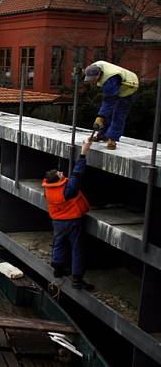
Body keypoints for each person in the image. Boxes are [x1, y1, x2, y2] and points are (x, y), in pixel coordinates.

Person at [41, 137, 94, 290]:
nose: (62, 173)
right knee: (76, 248)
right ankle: (77, 279)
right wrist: (83, 153)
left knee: (59, 243)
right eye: (60, 173)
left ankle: (58, 269)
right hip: (72, 221)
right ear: (57, 179)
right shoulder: (68, 190)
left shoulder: (48, 190)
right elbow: (77, 173)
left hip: (57, 221)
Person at [83, 60, 140, 150]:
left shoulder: (110, 79)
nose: (92, 81)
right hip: (118, 84)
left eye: (93, 79)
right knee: (107, 112)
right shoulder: (94, 67)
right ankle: (102, 135)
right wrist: (101, 117)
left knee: (118, 114)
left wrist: (100, 117)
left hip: (129, 87)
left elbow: (109, 101)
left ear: (98, 74)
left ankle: (112, 139)